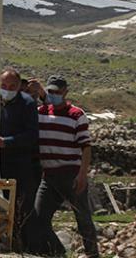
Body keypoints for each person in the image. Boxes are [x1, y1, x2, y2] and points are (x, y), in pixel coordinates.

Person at [30, 75, 99, 258]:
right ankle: (58, 252)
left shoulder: (76, 115)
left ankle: (93, 253)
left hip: (71, 175)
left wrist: (82, 175)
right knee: (39, 217)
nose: (53, 95)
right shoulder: (41, 113)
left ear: (65, 92)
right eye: (50, 92)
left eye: (57, 92)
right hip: (49, 176)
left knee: (83, 219)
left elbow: (85, 147)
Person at [0, 67, 39, 251]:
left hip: (20, 164)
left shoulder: (27, 104)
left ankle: (22, 246)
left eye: (11, 86)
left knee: (21, 206)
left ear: (18, 86)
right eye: (3, 85)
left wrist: (7, 142)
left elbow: (31, 135)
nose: (7, 89)